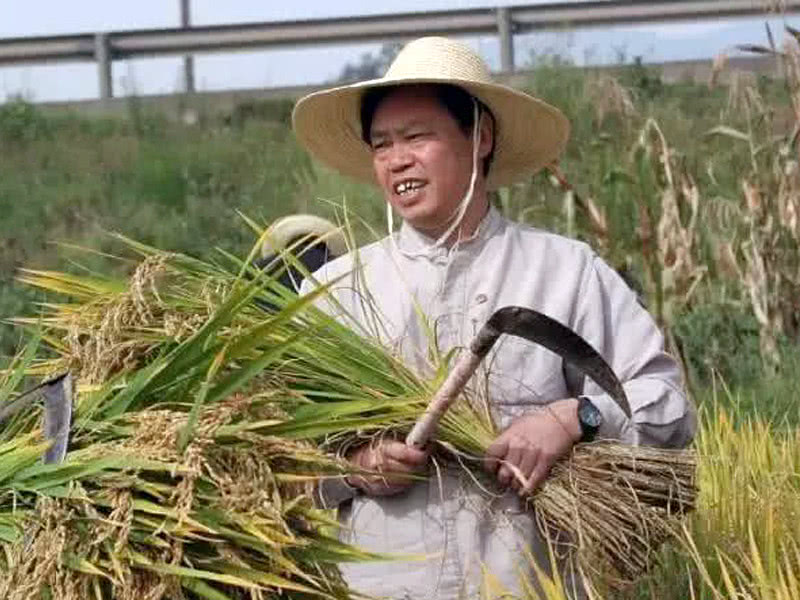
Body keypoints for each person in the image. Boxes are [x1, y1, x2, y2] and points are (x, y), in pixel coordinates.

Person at [293, 37, 696, 599]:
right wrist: (355, 469)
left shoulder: (565, 272)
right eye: (381, 143)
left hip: (532, 583)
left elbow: (667, 405)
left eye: (417, 136)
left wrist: (575, 417)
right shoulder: (334, 295)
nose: (396, 158)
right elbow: (276, 461)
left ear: (480, 136)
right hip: (383, 585)